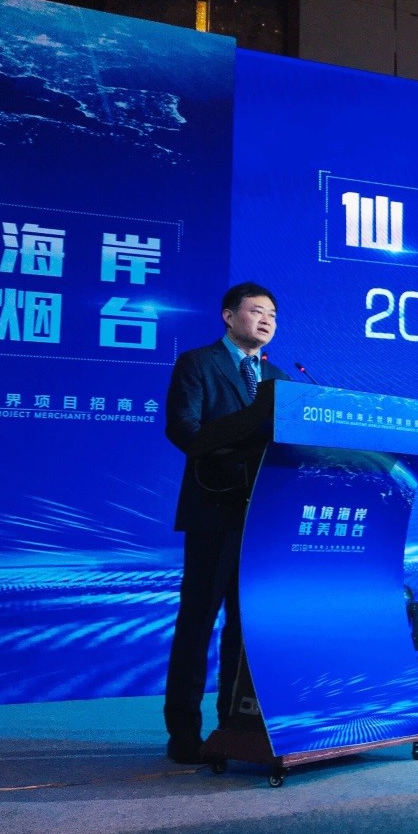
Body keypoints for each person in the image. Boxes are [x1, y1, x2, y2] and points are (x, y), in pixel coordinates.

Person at [162, 282, 288, 763]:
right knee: (198, 623)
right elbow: (183, 428)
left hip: (263, 516)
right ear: (228, 316)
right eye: (256, 311)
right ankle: (184, 733)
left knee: (245, 626)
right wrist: (234, 454)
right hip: (214, 510)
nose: (266, 319)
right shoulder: (198, 363)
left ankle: (233, 726)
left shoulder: (279, 379)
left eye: (272, 314)